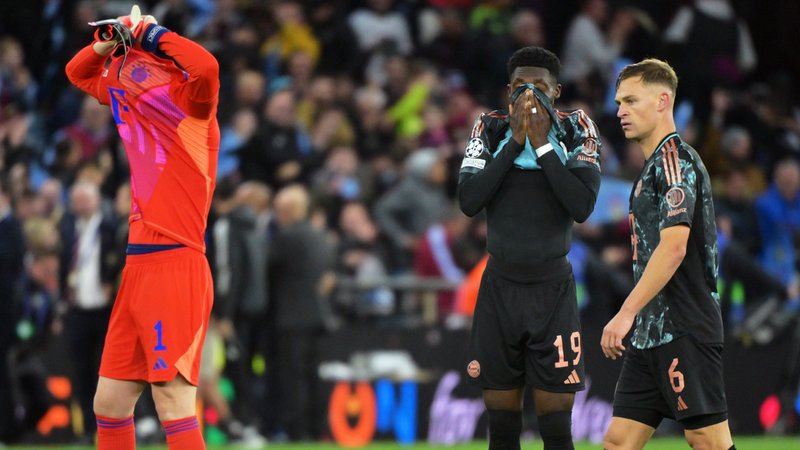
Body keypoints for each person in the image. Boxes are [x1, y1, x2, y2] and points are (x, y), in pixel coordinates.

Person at [65, 6, 219, 450]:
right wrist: (108, 42)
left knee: (172, 401)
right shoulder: (131, 94)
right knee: (109, 403)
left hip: (176, 263)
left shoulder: (195, 107)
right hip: (138, 268)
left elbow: (206, 65)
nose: (127, 69)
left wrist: (151, 32)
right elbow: (77, 71)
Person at [458, 46, 602, 450]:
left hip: (552, 291)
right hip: (499, 290)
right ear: (508, 92)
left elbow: (581, 206)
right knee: (502, 427)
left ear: (557, 91)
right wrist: (514, 142)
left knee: (556, 429)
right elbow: (469, 200)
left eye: (540, 86)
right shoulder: (489, 126)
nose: (530, 95)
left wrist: (540, 145)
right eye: (521, 86)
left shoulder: (577, 127)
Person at [602, 58, 735, 450]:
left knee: (708, 442)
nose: (620, 111)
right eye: (618, 102)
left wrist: (626, 311)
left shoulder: (675, 162)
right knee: (618, 441)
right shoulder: (650, 168)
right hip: (650, 334)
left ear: (663, 101)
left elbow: (674, 247)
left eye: (631, 100)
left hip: (685, 327)